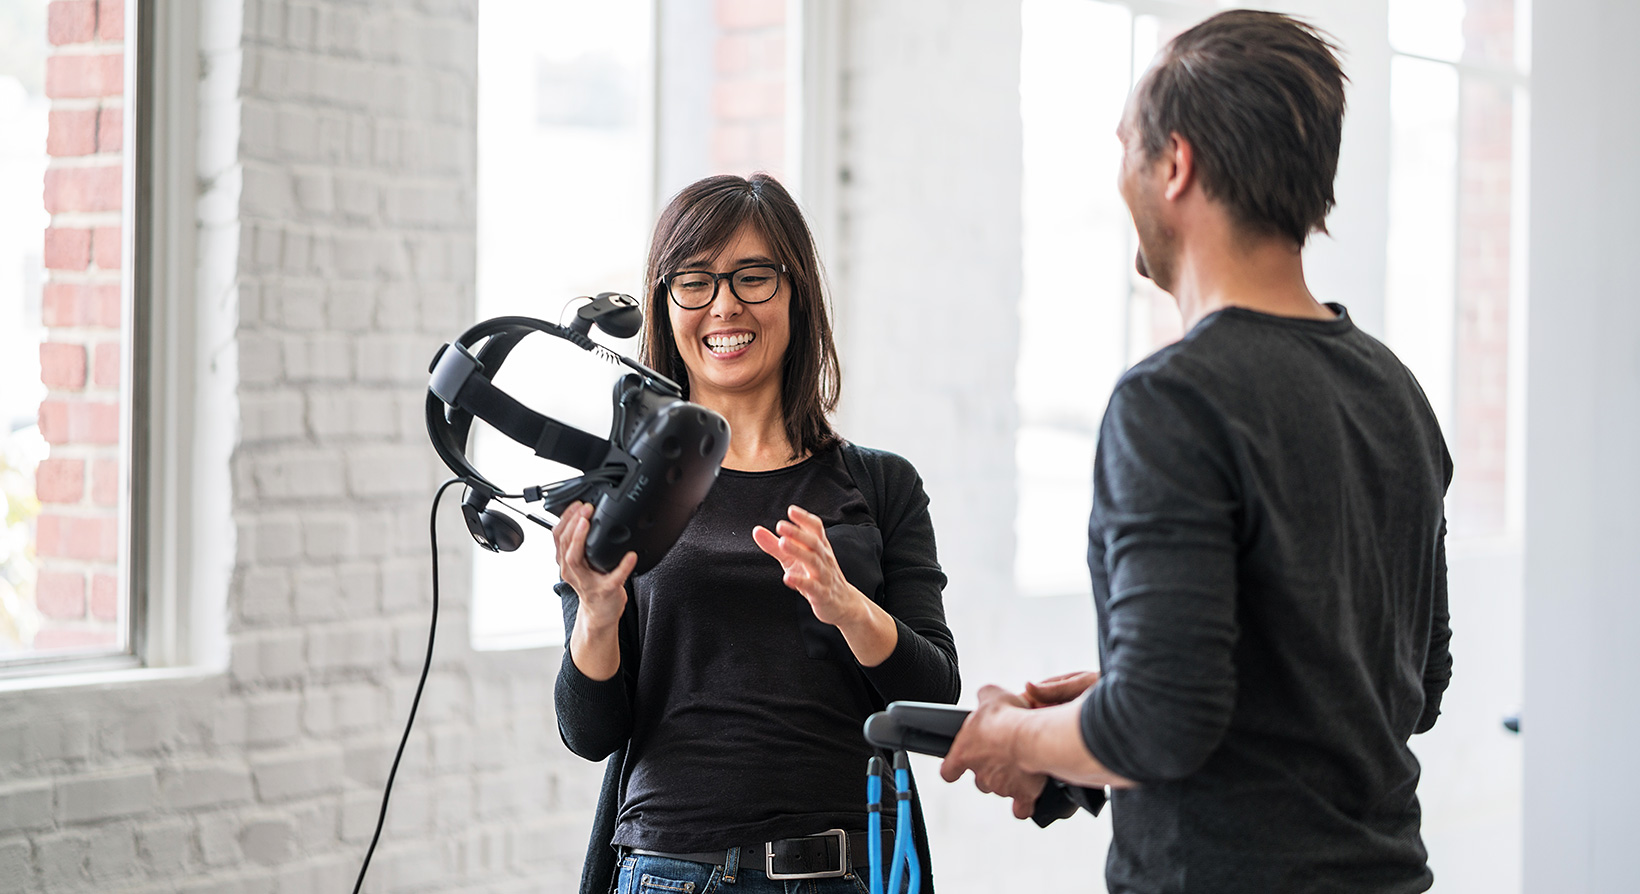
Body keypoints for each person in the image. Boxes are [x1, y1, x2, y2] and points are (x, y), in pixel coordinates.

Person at [940, 10, 1453, 894]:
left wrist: (1011, 734)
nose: (1121, 175)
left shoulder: (1171, 401)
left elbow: (1158, 726)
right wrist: (1138, 674)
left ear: (1175, 164)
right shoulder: (1395, 392)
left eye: (1126, 147)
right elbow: (1401, 683)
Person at [553, 173, 960, 894]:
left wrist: (847, 606)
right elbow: (590, 733)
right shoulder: (619, 496)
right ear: (665, 303)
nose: (724, 305)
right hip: (672, 872)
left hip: (848, 872)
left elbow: (933, 693)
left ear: (795, 291)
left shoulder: (881, 486)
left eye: (752, 277)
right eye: (695, 282)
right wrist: (597, 615)